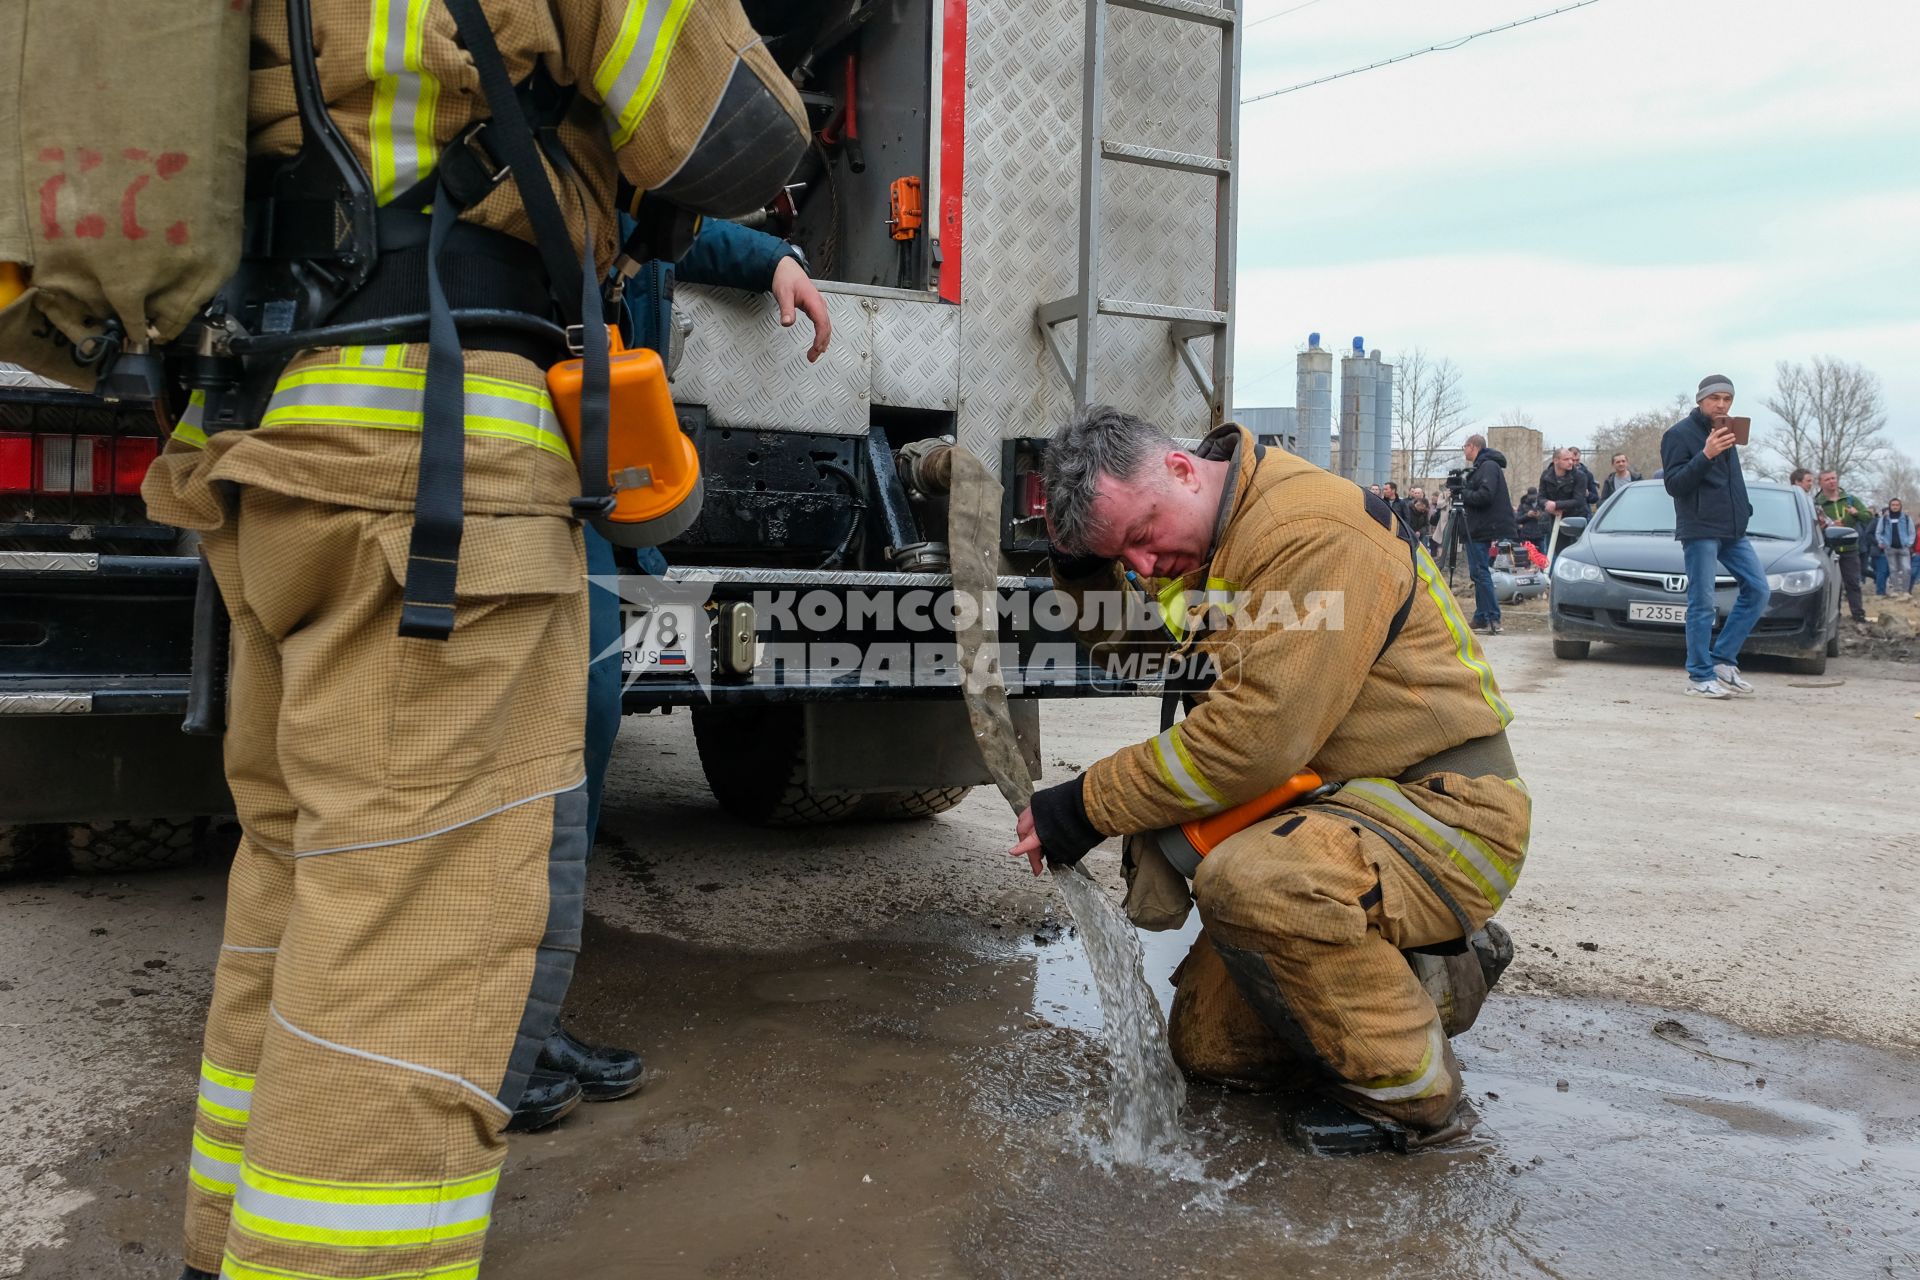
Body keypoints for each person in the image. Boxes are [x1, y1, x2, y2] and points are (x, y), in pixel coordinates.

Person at [142, 6, 806, 1279]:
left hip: (273, 430)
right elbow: (735, 131)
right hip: (430, 457)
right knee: (415, 944)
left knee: (306, 888)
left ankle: (218, 1250)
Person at [1016, 405, 1529, 1151]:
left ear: (1182, 468)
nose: (1145, 567)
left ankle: (1413, 1100)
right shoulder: (1213, 543)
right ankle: (1413, 970)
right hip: (1339, 807)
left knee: (1250, 883)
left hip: (1443, 815)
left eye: (1142, 536)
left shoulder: (1308, 533)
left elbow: (1252, 743)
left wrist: (1087, 805)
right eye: (1124, 557)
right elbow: (1134, 654)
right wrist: (1081, 567)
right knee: (1211, 1049)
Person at [534, 221, 834, 1127]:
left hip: (585, 471)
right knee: (531, 754)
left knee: (577, 738)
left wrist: (776, 258)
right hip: (517, 462)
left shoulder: (610, 195)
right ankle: (481, 1035)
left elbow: (673, 221)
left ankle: (520, 1021)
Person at [1660, 375, 1770, 699]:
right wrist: (1705, 454)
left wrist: (1743, 510)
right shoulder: (1678, 435)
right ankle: (1699, 675)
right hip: (1700, 529)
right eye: (1715, 398)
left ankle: (1722, 660)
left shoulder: (1727, 429)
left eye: (1727, 399)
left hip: (1733, 528)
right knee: (1703, 602)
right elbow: (1674, 485)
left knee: (1759, 590)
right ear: (1700, 400)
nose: (1721, 404)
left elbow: (1731, 480)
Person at [1460, 434, 1517, 634]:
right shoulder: (1481, 467)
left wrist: (1463, 493)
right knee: (1478, 573)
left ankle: (1492, 617)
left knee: (1481, 573)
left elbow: (1485, 495)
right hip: (1477, 527)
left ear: (1473, 446)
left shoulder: (1488, 466)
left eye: (1464, 446)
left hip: (1482, 528)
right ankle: (1481, 616)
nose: (1464, 450)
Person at [1814, 470, 1873, 622]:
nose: (1831, 481)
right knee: (1833, 585)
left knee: (1853, 582)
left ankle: (1858, 615)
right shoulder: (1817, 503)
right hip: (1828, 550)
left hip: (1850, 549)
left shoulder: (1850, 499)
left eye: (1833, 478)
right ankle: (1834, 616)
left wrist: (1855, 513)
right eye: (1827, 479)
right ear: (1821, 483)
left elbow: (1867, 516)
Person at [1538, 447, 1592, 527]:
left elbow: (1579, 501)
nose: (1570, 462)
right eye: (1566, 459)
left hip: (1573, 522)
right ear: (1556, 460)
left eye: (1571, 459)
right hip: (1551, 521)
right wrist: (1547, 505)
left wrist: (1556, 505)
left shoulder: (1580, 476)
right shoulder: (1546, 475)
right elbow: (1540, 498)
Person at [1875, 498, 1914, 595]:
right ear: (1890, 506)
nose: (1895, 507)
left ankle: (1905, 591)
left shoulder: (1906, 518)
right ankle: (1896, 590)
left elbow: (1911, 532)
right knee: (1893, 570)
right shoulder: (1884, 518)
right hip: (1890, 548)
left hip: (1904, 548)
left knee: (1907, 569)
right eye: (1893, 505)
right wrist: (1881, 542)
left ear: (1900, 506)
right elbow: (1878, 532)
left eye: (1897, 505)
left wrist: (1909, 543)